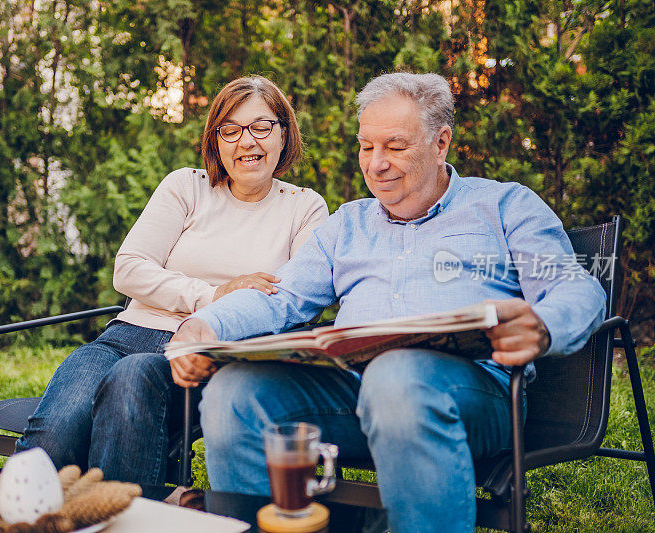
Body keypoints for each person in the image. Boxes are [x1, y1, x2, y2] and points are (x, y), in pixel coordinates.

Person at [169, 72, 606, 533]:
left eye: (395, 147)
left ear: (441, 143)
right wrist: (206, 326)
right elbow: (282, 298)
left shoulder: (504, 206)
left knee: (395, 376)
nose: (376, 164)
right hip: (355, 392)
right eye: (366, 146)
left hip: (472, 396)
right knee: (233, 392)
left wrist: (543, 324)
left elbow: (578, 288)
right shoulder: (347, 225)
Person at [15, 75, 329, 485]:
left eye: (261, 127)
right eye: (230, 130)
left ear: (284, 134)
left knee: (131, 383)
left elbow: (289, 300)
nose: (246, 141)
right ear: (215, 140)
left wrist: (210, 319)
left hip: (207, 355)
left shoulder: (304, 208)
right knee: (53, 439)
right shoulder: (186, 186)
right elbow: (128, 268)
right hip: (126, 336)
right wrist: (213, 294)